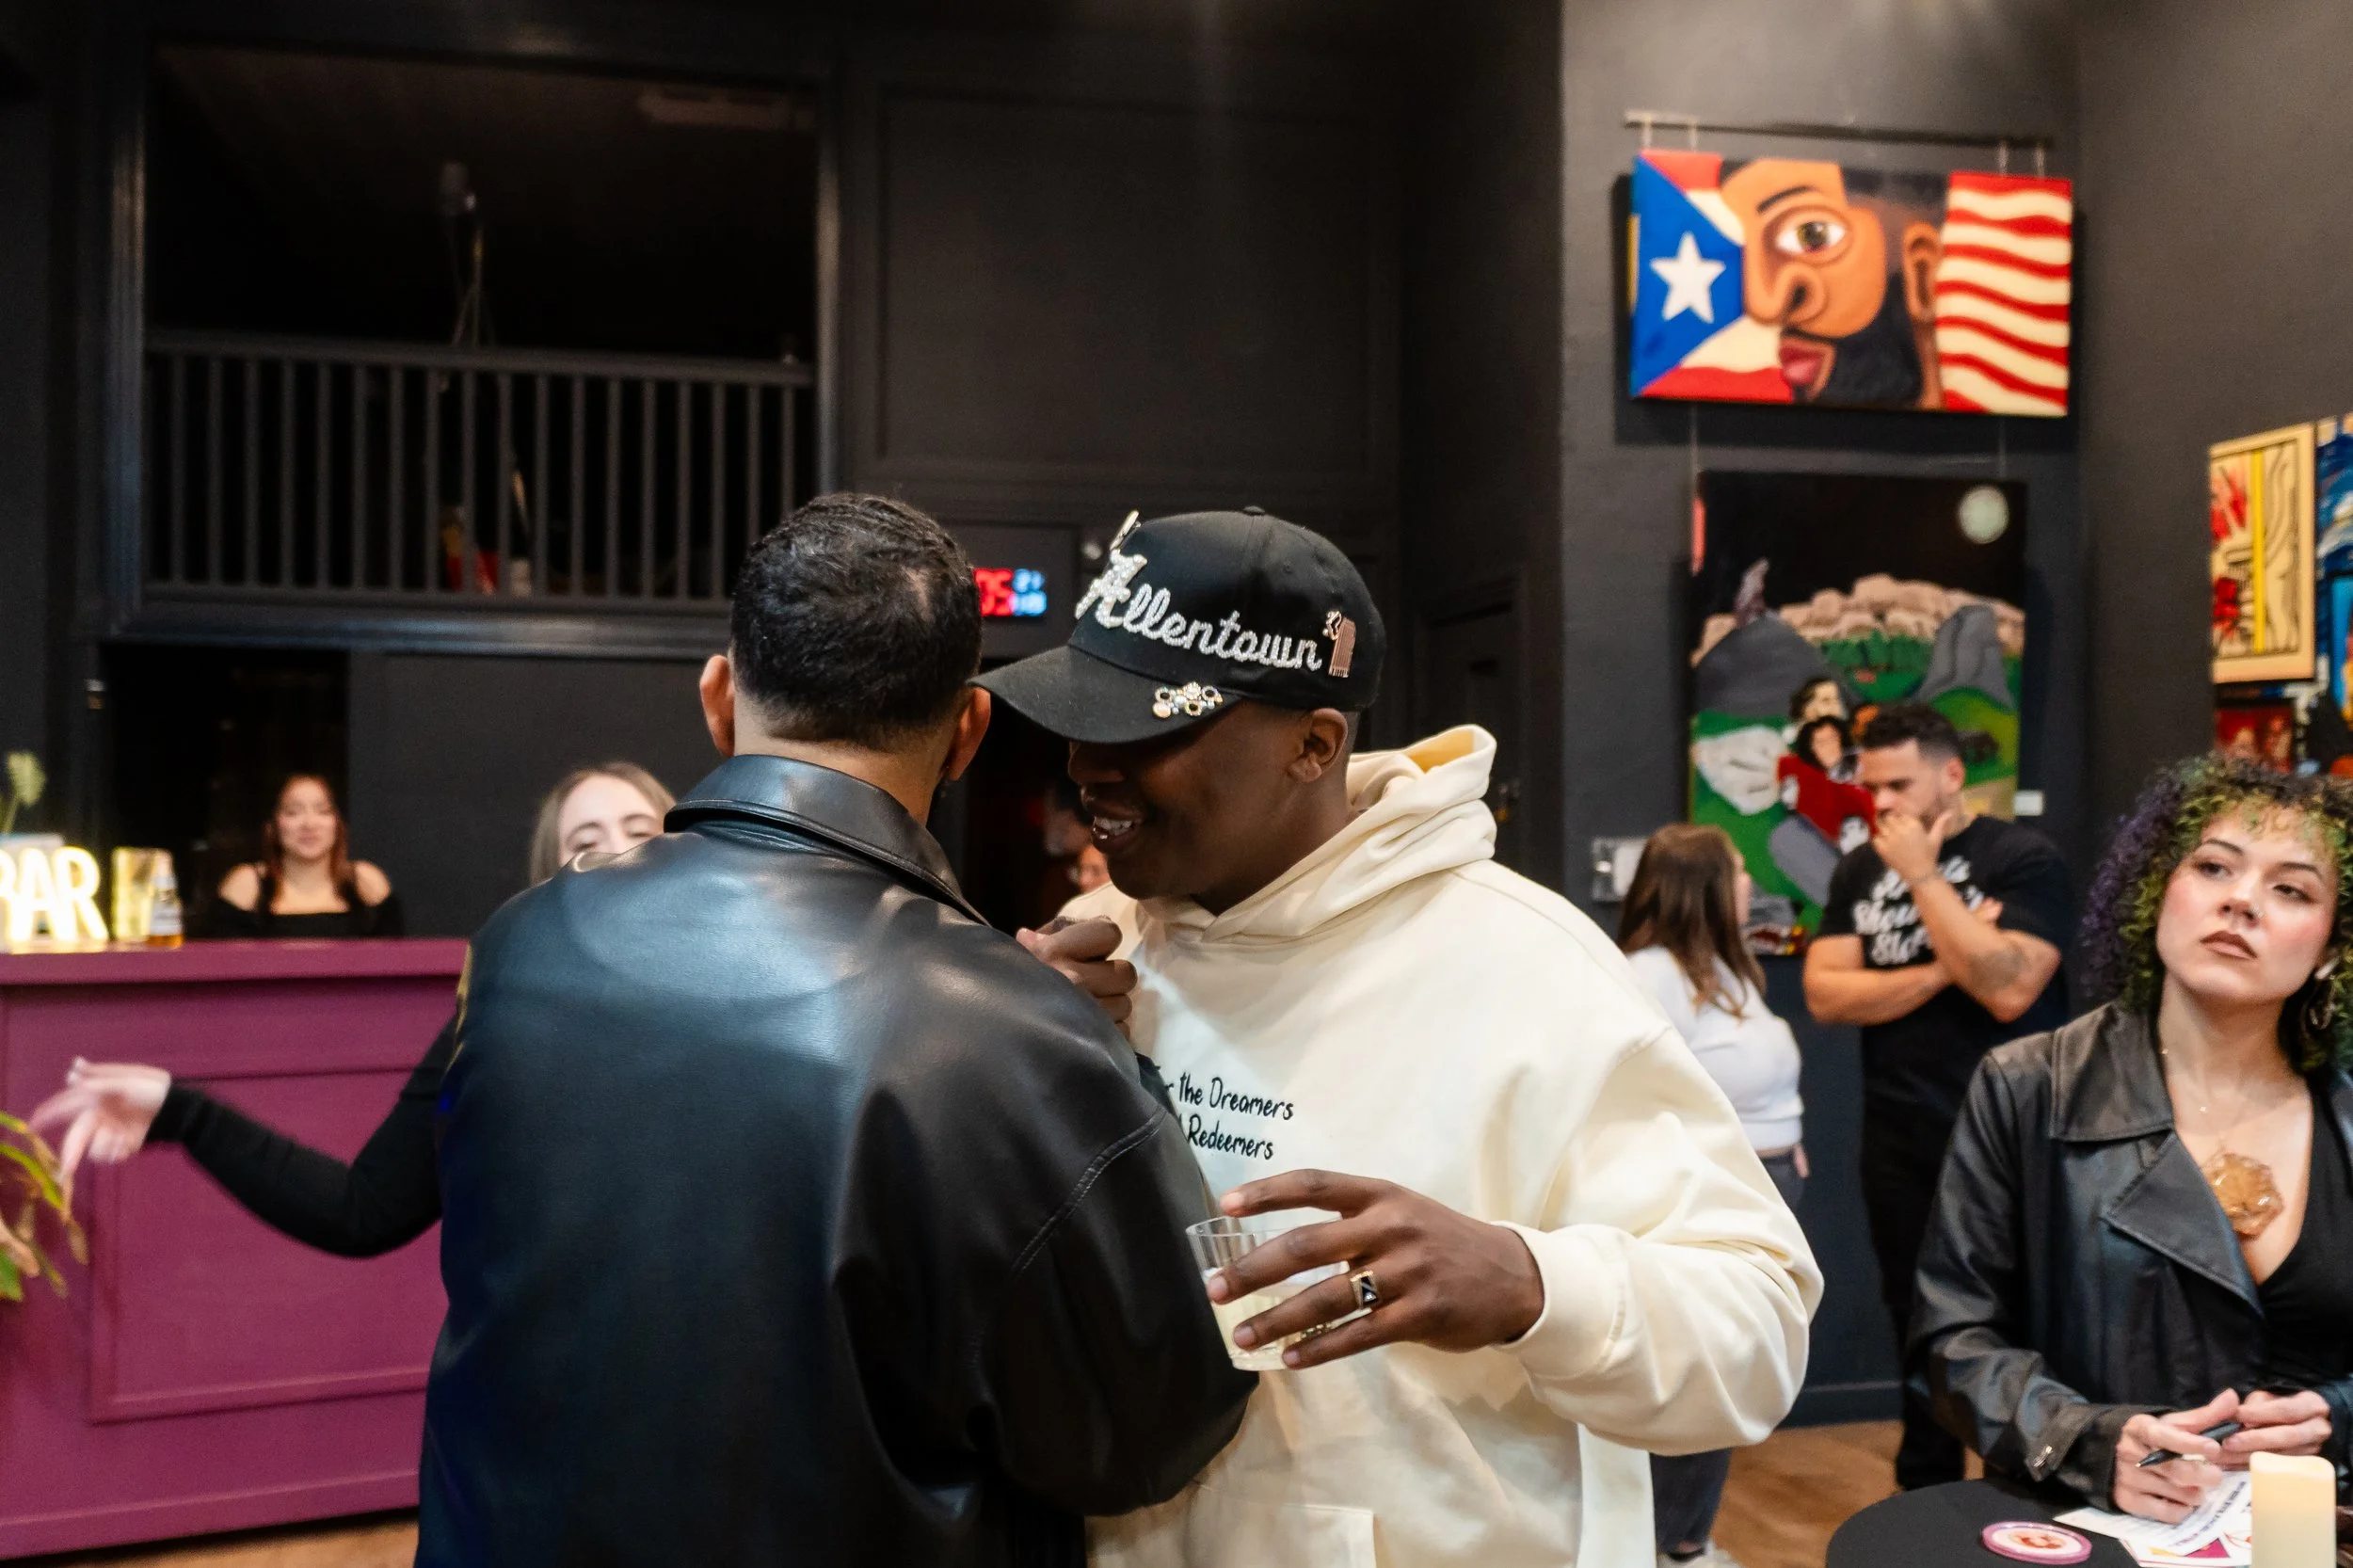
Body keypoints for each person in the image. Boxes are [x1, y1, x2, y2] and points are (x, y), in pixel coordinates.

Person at [975, 508, 1819, 1568]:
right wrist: (1011, 1074)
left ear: (1313, 743)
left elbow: (1758, 1329)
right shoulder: (1100, 954)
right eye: (1082, 717)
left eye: (1148, 728)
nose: (1088, 765)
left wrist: (1528, 1283)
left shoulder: (1531, 971)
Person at [421, 493, 1248, 1567]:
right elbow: (1149, 1432)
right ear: (968, 734)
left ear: (721, 699)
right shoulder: (1017, 1032)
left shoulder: (523, 945)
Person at [1913, 755, 2353, 1519]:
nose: (2242, 901)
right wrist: (2088, 1440)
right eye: (2214, 867)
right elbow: (1955, 1338)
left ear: (2331, 952)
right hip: (2098, 1528)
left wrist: (2340, 1418)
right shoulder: (2033, 1087)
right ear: (2157, 894)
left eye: (2290, 888)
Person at [30, 764, 674, 1255]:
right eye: (584, 840)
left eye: (640, 830)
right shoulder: (495, 1021)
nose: (618, 850)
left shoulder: (747, 1007)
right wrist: (183, 1113)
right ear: (550, 881)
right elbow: (362, 1210)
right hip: (537, 1401)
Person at [1803, 701, 2072, 1490]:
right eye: (1870, 785)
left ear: (1952, 777)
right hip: (1898, 1128)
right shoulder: (1857, 870)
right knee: (1912, 1314)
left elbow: (2009, 990)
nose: (1880, 803)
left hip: (2010, 1133)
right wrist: (1950, 958)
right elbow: (1825, 993)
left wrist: (1923, 878)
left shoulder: (2023, 858)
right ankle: (1922, 1494)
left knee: (2014, 1315)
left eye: (1898, 784)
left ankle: (2022, 1486)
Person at [1618, 824, 1807, 1568]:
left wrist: (1791, 1145)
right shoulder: (1651, 973)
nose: (1748, 884)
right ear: (1702, 883)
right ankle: (1670, 1544)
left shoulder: (1728, 972)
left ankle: (1684, 1538)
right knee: (1705, 1370)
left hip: (1766, 1181)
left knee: (1736, 1367)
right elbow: (1637, 1096)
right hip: (1708, 1201)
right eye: (1736, 870)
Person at [207, 774, 403, 936]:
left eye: (323, 811)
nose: (309, 824)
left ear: (338, 824)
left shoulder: (366, 885)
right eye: (293, 812)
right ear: (273, 825)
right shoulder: (247, 886)